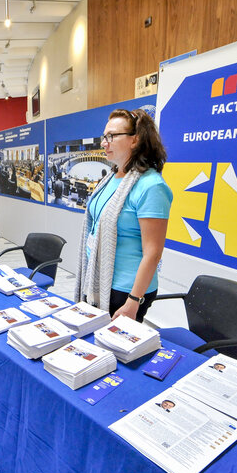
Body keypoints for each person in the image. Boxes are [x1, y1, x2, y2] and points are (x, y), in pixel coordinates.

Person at [74, 108, 172, 323]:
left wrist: (133, 300)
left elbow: (153, 253)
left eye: (112, 136)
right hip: (99, 280)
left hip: (126, 290)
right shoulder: (110, 178)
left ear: (135, 140)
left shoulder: (151, 186)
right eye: (104, 136)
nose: (104, 142)